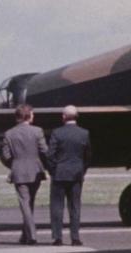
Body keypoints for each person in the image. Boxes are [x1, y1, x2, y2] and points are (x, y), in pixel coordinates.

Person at [0, 104, 48, 245]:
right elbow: (45, 150)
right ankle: (28, 235)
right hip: (36, 171)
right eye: (32, 114)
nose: (34, 116)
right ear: (28, 115)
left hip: (19, 171)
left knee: (25, 203)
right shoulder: (38, 131)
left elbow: (6, 155)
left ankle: (29, 235)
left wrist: (15, 165)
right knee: (29, 202)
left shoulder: (9, 134)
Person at [47, 105, 91, 246]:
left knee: (57, 206)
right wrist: (82, 169)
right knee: (75, 206)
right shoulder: (84, 133)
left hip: (59, 174)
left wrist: (54, 169)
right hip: (77, 174)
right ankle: (75, 237)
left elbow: (50, 155)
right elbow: (88, 156)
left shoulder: (57, 133)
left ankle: (57, 237)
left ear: (63, 117)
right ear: (76, 116)